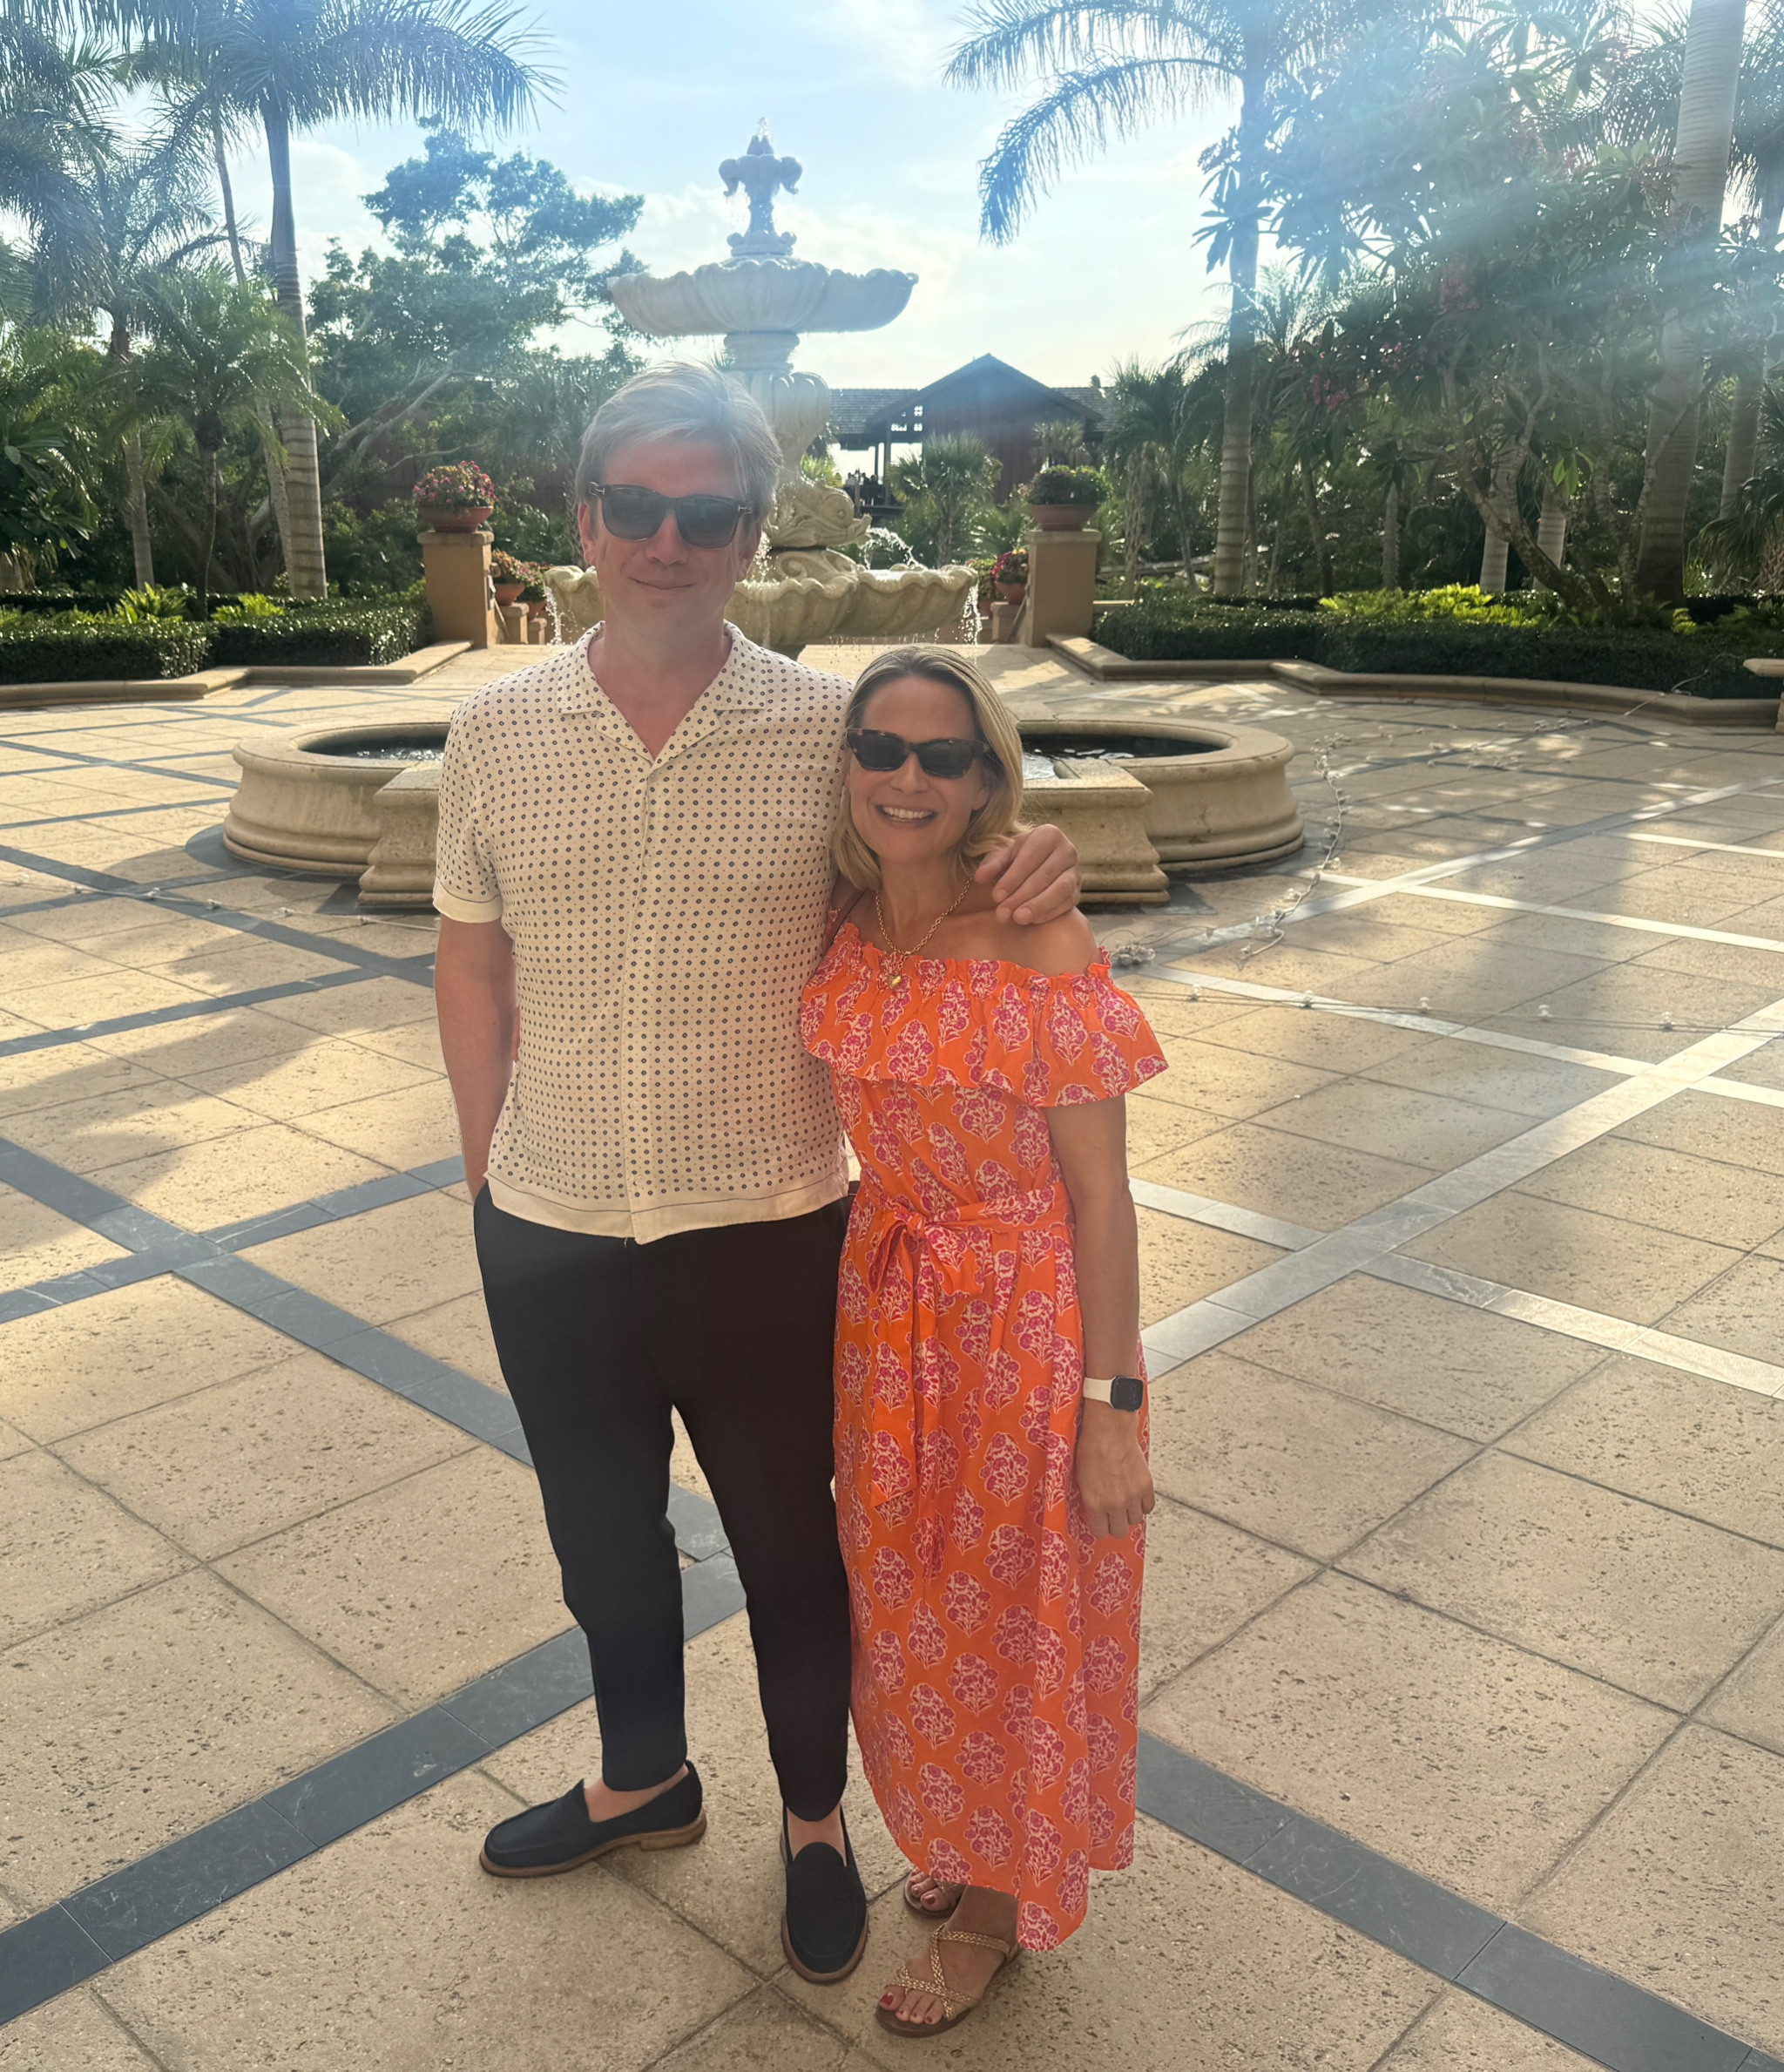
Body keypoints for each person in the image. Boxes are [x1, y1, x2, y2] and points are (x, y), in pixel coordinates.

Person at [430, 364, 1081, 1986]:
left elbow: (943, 845)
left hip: (774, 1227)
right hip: (553, 1224)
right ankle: (642, 1776)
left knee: (798, 1550)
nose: (668, 539)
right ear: (586, 520)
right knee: (601, 1541)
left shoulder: (821, 729)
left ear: (747, 529)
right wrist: (482, 1169)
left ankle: (814, 1821)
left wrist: (1038, 859)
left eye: (704, 513)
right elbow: (469, 956)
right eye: (636, 509)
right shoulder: (494, 729)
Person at [801, 646, 1164, 2037]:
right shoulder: (844, 919)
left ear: (986, 776)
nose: (909, 777)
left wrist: (1112, 1402)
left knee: (1018, 1610)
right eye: (881, 748)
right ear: (845, 764)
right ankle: (958, 1825)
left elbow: (1103, 1196)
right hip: (884, 1306)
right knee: (907, 1594)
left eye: (944, 756)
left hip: (1021, 1318)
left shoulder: (1036, 940)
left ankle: (1007, 1906)